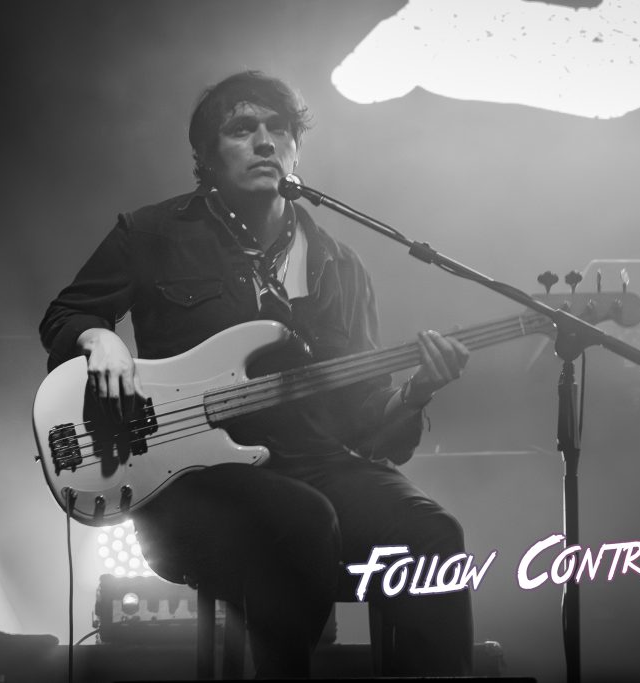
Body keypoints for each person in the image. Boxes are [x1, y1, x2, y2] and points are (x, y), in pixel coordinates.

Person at [40, 70, 473, 678]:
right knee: (302, 520)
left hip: (315, 461)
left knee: (434, 534)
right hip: (192, 478)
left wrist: (418, 390)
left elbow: (368, 425)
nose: (266, 142)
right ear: (207, 156)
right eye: (243, 129)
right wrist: (100, 338)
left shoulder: (341, 266)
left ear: (296, 149)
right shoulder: (154, 233)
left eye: (280, 129)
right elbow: (66, 314)